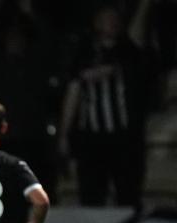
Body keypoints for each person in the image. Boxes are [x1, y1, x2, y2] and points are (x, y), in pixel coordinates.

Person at [58, 3, 154, 207]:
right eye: (107, 19)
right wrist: (64, 135)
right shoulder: (83, 52)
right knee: (92, 196)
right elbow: (73, 93)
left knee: (128, 194)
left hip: (125, 138)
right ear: (97, 23)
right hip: (92, 140)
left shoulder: (128, 50)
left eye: (114, 19)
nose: (112, 23)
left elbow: (138, 34)